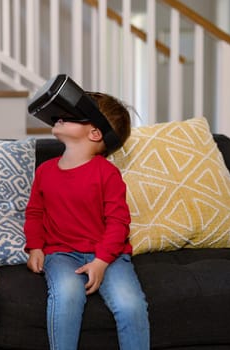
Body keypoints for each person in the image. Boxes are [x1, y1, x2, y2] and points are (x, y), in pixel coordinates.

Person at [24, 92, 150, 349]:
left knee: (130, 303)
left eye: (70, 115)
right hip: (60, 254)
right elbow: (35, 213)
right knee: (67, 294)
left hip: (109, 256)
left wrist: (101, 261)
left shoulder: (108, 173)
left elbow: (118, 222)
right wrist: (35, 247)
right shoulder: (45, 171)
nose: (59, 116)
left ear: (94, 133)